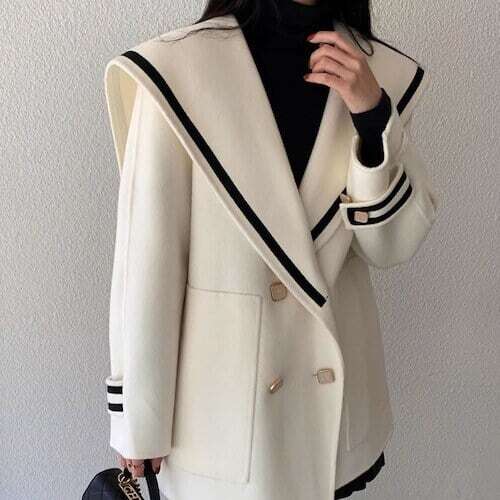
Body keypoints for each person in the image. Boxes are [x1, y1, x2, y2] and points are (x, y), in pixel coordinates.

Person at [103, 1, 438, 499]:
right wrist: (139, 417)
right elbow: (148, 258)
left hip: (329, 414)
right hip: (222, 412)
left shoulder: (375, 72)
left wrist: (372, 117)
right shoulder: (178, 70)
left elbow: (390, 246)